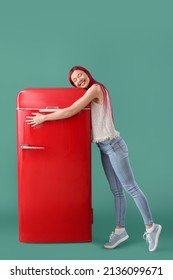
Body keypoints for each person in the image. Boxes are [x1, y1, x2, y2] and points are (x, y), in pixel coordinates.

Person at [26, 65, 162, 252]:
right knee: (117, 191)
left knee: (130, 187)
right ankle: (120, 230)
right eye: (75, 80)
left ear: (87, 74)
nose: (79, 80)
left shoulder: (95, 89)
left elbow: (71, 110)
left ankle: (151, 227)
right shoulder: (87, 94)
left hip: (114, 145)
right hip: (104, 147)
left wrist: (44, 118)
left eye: (80, 76)